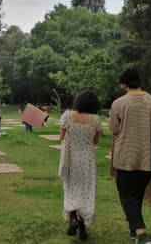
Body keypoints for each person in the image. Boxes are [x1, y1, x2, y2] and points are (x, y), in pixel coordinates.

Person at [109, 68, 151, 244]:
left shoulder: (119, 103)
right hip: (147, 159)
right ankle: (134, 232)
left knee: (127, 196)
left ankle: (142, 235)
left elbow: (113, 129)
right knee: (136, 196)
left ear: (124, 84)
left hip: (124, 158)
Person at [58, 90, 102, 241]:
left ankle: (73, 219)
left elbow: (61, 136)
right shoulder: (96, 119)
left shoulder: (67, 116)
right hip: (88, 161)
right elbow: (95, 141)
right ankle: (82, 226)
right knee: (85, 192)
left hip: (70, 160)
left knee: (70, 189)